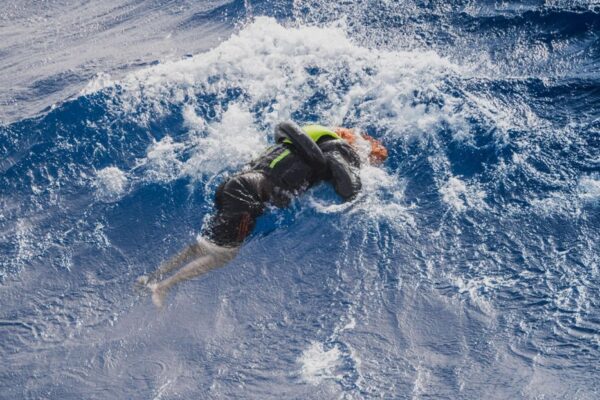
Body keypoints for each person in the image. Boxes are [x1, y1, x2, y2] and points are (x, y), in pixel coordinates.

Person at [138, 121, 388, 307]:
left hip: (234, 184)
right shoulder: (338, 148)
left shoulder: (297, 142)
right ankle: (162, 287)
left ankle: (151, 276)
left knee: (205, 245)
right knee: (224, 255)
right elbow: (348, 187)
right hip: (249, 194)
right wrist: (359, 177)